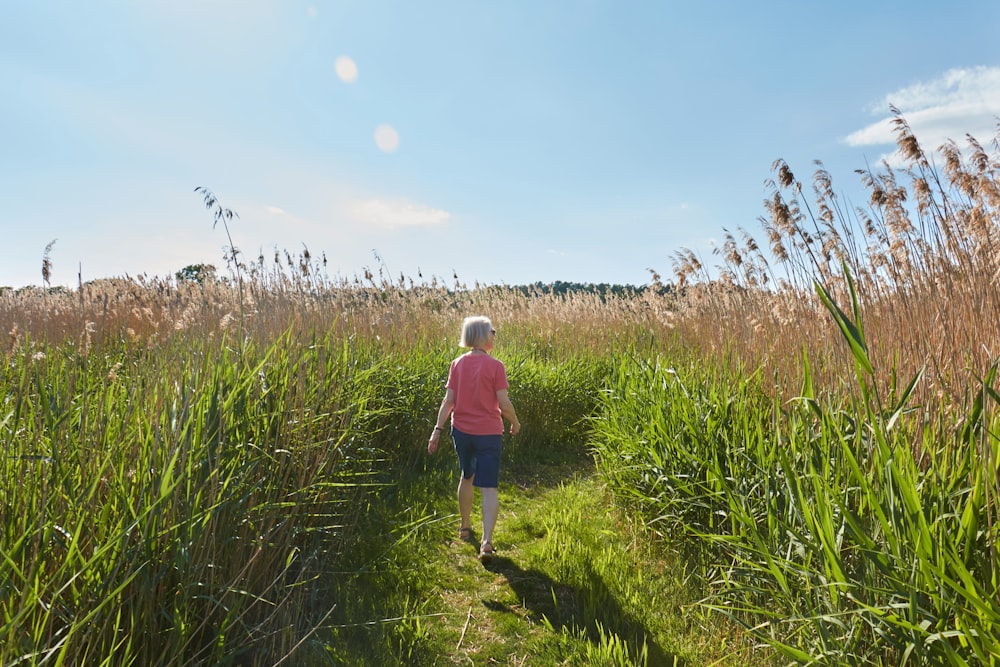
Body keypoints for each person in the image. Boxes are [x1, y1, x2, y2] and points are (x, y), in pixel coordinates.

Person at [427, 315, 520, 564]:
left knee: (466, 476)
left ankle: (465, 527)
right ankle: (487, 542)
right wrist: (515, 421)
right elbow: (503, 402)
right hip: (489, 433)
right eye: (492, 331)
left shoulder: (457, 364)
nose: (494, 335)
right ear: (481, 334)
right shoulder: (495, 366)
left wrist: (437, 429)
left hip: (462, 432)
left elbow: (448, 401)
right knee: (489, 486)